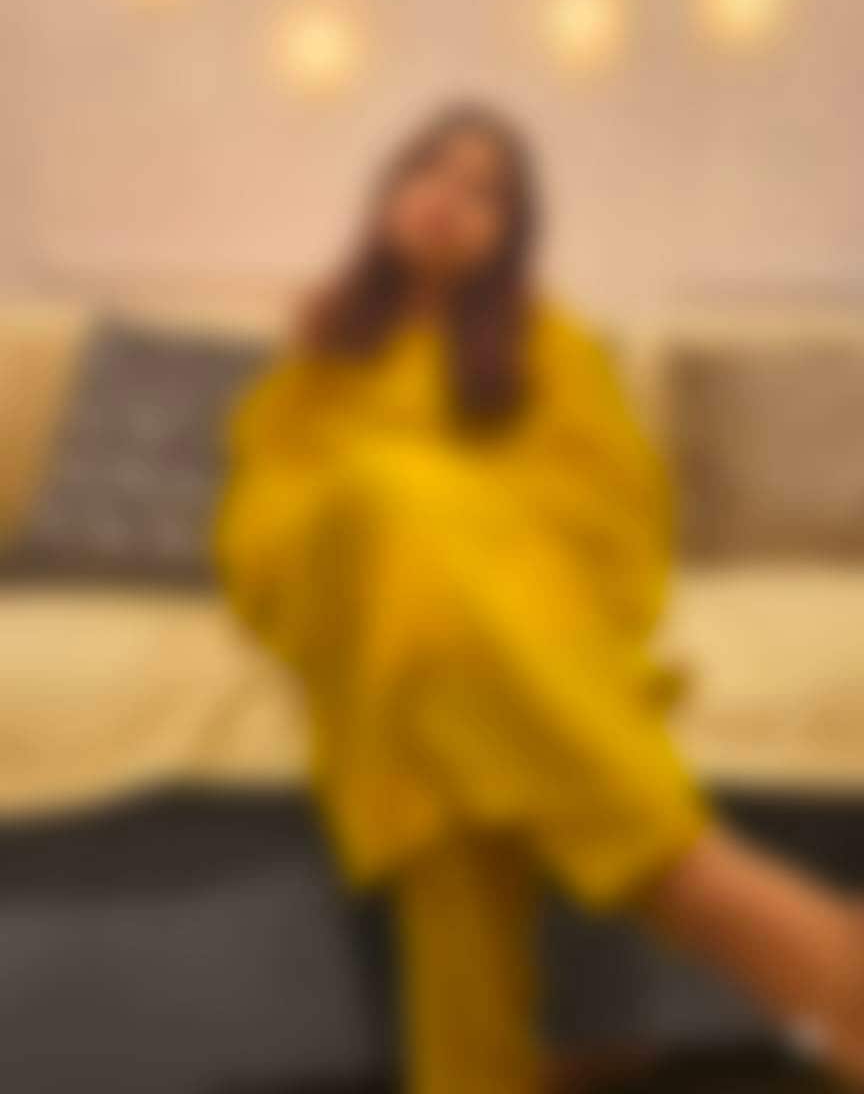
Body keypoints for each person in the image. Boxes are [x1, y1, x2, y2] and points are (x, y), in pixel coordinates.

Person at [216, 104, 864, 1093]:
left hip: (488, 621)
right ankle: (695, 880)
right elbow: (263, 517)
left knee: (442, 723)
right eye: (430, 170)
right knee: (391, 508)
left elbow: (611, 519)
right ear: (390, 192)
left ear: (510, 232)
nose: (449, 198)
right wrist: (397, 499)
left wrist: (459, 523)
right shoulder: (323, 348)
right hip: (351, 593)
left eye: (484, 191)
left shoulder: (548, 346)